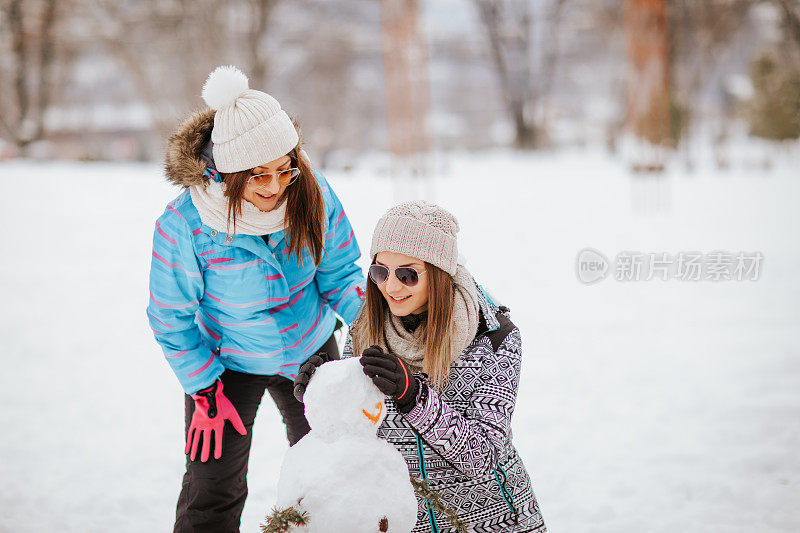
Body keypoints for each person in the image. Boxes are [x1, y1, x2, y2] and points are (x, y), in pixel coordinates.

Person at [147, 65, 364, 533]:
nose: (273, 186)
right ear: (225, 171)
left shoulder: (313, 192)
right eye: (257, 175)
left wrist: (375, 330)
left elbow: (342, 275)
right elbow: (172, 318)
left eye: (284, 169)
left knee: (332, 473)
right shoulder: (186, 225)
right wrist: (204, 388)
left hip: (311, 348)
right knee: (213, 487)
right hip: (227, 366)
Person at [294, 201, 546, 533]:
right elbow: (357, 430)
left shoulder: (494, 338)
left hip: (489, 520)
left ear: (440, 273)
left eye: (407, 274)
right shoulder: (365, 327)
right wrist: (323, 392)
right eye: (380, 271)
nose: (391, 287)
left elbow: (482, 457)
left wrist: (415, 398)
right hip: (402, 520)